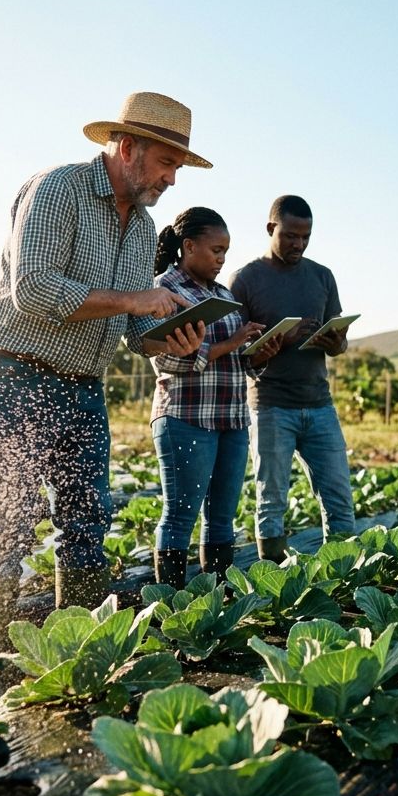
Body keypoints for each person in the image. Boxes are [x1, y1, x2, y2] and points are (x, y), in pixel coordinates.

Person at [0, 91, 212, 651]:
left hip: (85, 385)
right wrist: (134, 299)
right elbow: (33, 290)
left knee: (87, 523)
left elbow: (131, 333)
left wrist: (177, 341)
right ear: (127, 147)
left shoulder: (145, 229)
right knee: (8, 519)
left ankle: (77, 654)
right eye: (166, 163)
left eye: (178, 166)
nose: (173, 179)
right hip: (18, 372)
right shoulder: (59, 190)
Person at [143, 207, 284, 587]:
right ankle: (168, 603)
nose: (222, 260)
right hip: (186, 417)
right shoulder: (164, 290)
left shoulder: (222, 294)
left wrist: (257, 354)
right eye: (215, 250)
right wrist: (232, 342)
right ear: (188, 246)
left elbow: (240, 363)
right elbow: (169, 360)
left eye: (226, 252)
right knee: (180, 515)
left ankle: (215, 604)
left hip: (232, 420)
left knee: (222, 516)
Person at [229, 195, 356, 562]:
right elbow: (236, 351)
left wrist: (336, 342)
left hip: (319, 404)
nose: (298, 244)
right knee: (271, 500)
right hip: (271, 406)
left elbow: (340, 345)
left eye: (306, 237)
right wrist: (277, 341)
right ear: (271, 229)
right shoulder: (246, 280)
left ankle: (345, 573)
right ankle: (273, 579)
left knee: (338, 497)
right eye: (290, 236)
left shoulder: (322, 277)